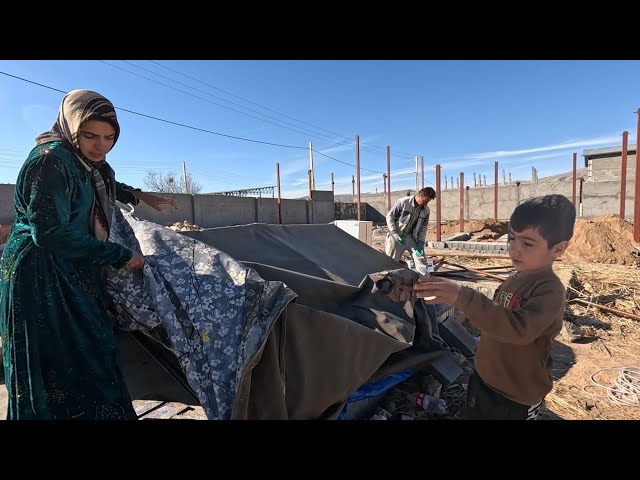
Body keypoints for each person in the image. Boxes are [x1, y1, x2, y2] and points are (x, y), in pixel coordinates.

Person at [0, 89, 177, 420]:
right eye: (90, 135)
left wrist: (138, 195)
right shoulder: (50, 161)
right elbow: (49, 232)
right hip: (40, 274)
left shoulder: (85, 161)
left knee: (90, 352)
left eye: (109, 137)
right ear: (71, 127)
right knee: (57, 361)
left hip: (73, 263)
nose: (101, 145)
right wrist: (119, 255)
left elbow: (102, 179)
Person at [414, 194, 576, 420]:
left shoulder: (550, 290)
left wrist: (463, 297)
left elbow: (518, 329)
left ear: (558, 249)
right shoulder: (516, 277)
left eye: (527, 243)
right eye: (512, 239)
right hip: (484, 380)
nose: (514, 250)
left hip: (514, 396)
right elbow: (495, 316)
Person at [385, 187, 436, 274]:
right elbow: (390, 217)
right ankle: (388, 283)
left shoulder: (426, 210)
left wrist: (420, 244)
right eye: (425, 201)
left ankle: (424, 282)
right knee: (391, 263)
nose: (426, 203)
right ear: (420, 195)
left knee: (421, 261)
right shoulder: (403, 202)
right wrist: (395, 234)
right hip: (397, 238)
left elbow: (423, 228)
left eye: (428, 202)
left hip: (412, 238)